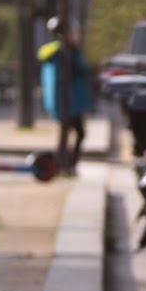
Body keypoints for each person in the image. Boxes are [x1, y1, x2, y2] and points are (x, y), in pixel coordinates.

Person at [38, 17, 95, 175]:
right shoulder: (67, 52)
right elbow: (81, 69)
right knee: (77, 133)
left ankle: (63, 163)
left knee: (68, 133)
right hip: (69, 102)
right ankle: (66, 164)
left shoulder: (54, 52)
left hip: (62, 101)